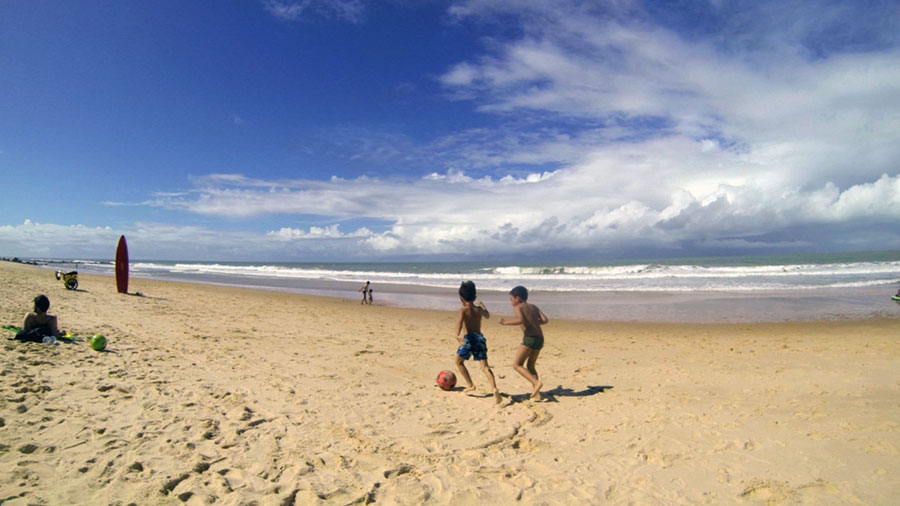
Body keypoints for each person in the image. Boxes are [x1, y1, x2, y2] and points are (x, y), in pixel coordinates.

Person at [454, 281, 501, 404]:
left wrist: (457, 335)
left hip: (468, 339)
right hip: (479, 338)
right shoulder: (479, 309)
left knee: (459, 362)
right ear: (474, 297)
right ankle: (494, 388)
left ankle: (470, 385)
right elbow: (488, 316)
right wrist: (483, 305)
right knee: (485, 367)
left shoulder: (463, 310)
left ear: (461, 299)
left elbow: (459, 323)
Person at [499, 286, 548, 400]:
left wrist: (505, 322)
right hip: (540, 338)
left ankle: (536, 384)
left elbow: (520, 320)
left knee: (517, 364)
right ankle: (537, 394)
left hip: (529, 338)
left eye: (511, 299)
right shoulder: (534, 307)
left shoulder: (518, 307)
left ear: (517, 298)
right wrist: (534, 321)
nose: (511, 302)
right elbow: (545, 320)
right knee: (531, 366)